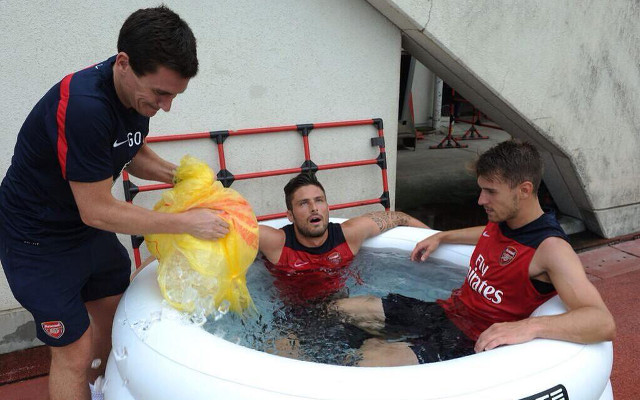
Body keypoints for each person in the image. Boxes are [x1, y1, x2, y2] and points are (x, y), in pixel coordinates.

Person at [0, 7, 229, 400]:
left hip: (83, 229)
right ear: (124, 63)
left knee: (113, 319)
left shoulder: (132, 95)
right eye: (161, 93)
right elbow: (98, 209)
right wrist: (189, 222)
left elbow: (128, 150)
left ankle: (102, 390)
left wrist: (180, 177)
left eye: (174, 95)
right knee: (74, 352)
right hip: (36, 241)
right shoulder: (86, 106)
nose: (166, 106)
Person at [333, 140, 616, 366]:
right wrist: (443, 236)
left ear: (524, 190)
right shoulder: (504, 222)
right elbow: (487, 233)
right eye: (481, 190)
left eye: (490, 192)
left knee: (365, 362)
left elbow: (602, 322)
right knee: (343, 309)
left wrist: (529, 327)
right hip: (445, 311)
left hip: (468, 340)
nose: (481, 200)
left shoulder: (552, 249)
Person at [258, 172, 430, 303]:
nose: (314, 208)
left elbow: (400, 217)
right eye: (303, 203)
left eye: (319, 200)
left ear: (327, 207)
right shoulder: (277, 242)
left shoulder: (348, 235)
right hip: (292, 316)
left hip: (341, 308)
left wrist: (435, 238)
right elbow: (237, 228)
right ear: (290, 215)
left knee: (371, 305)